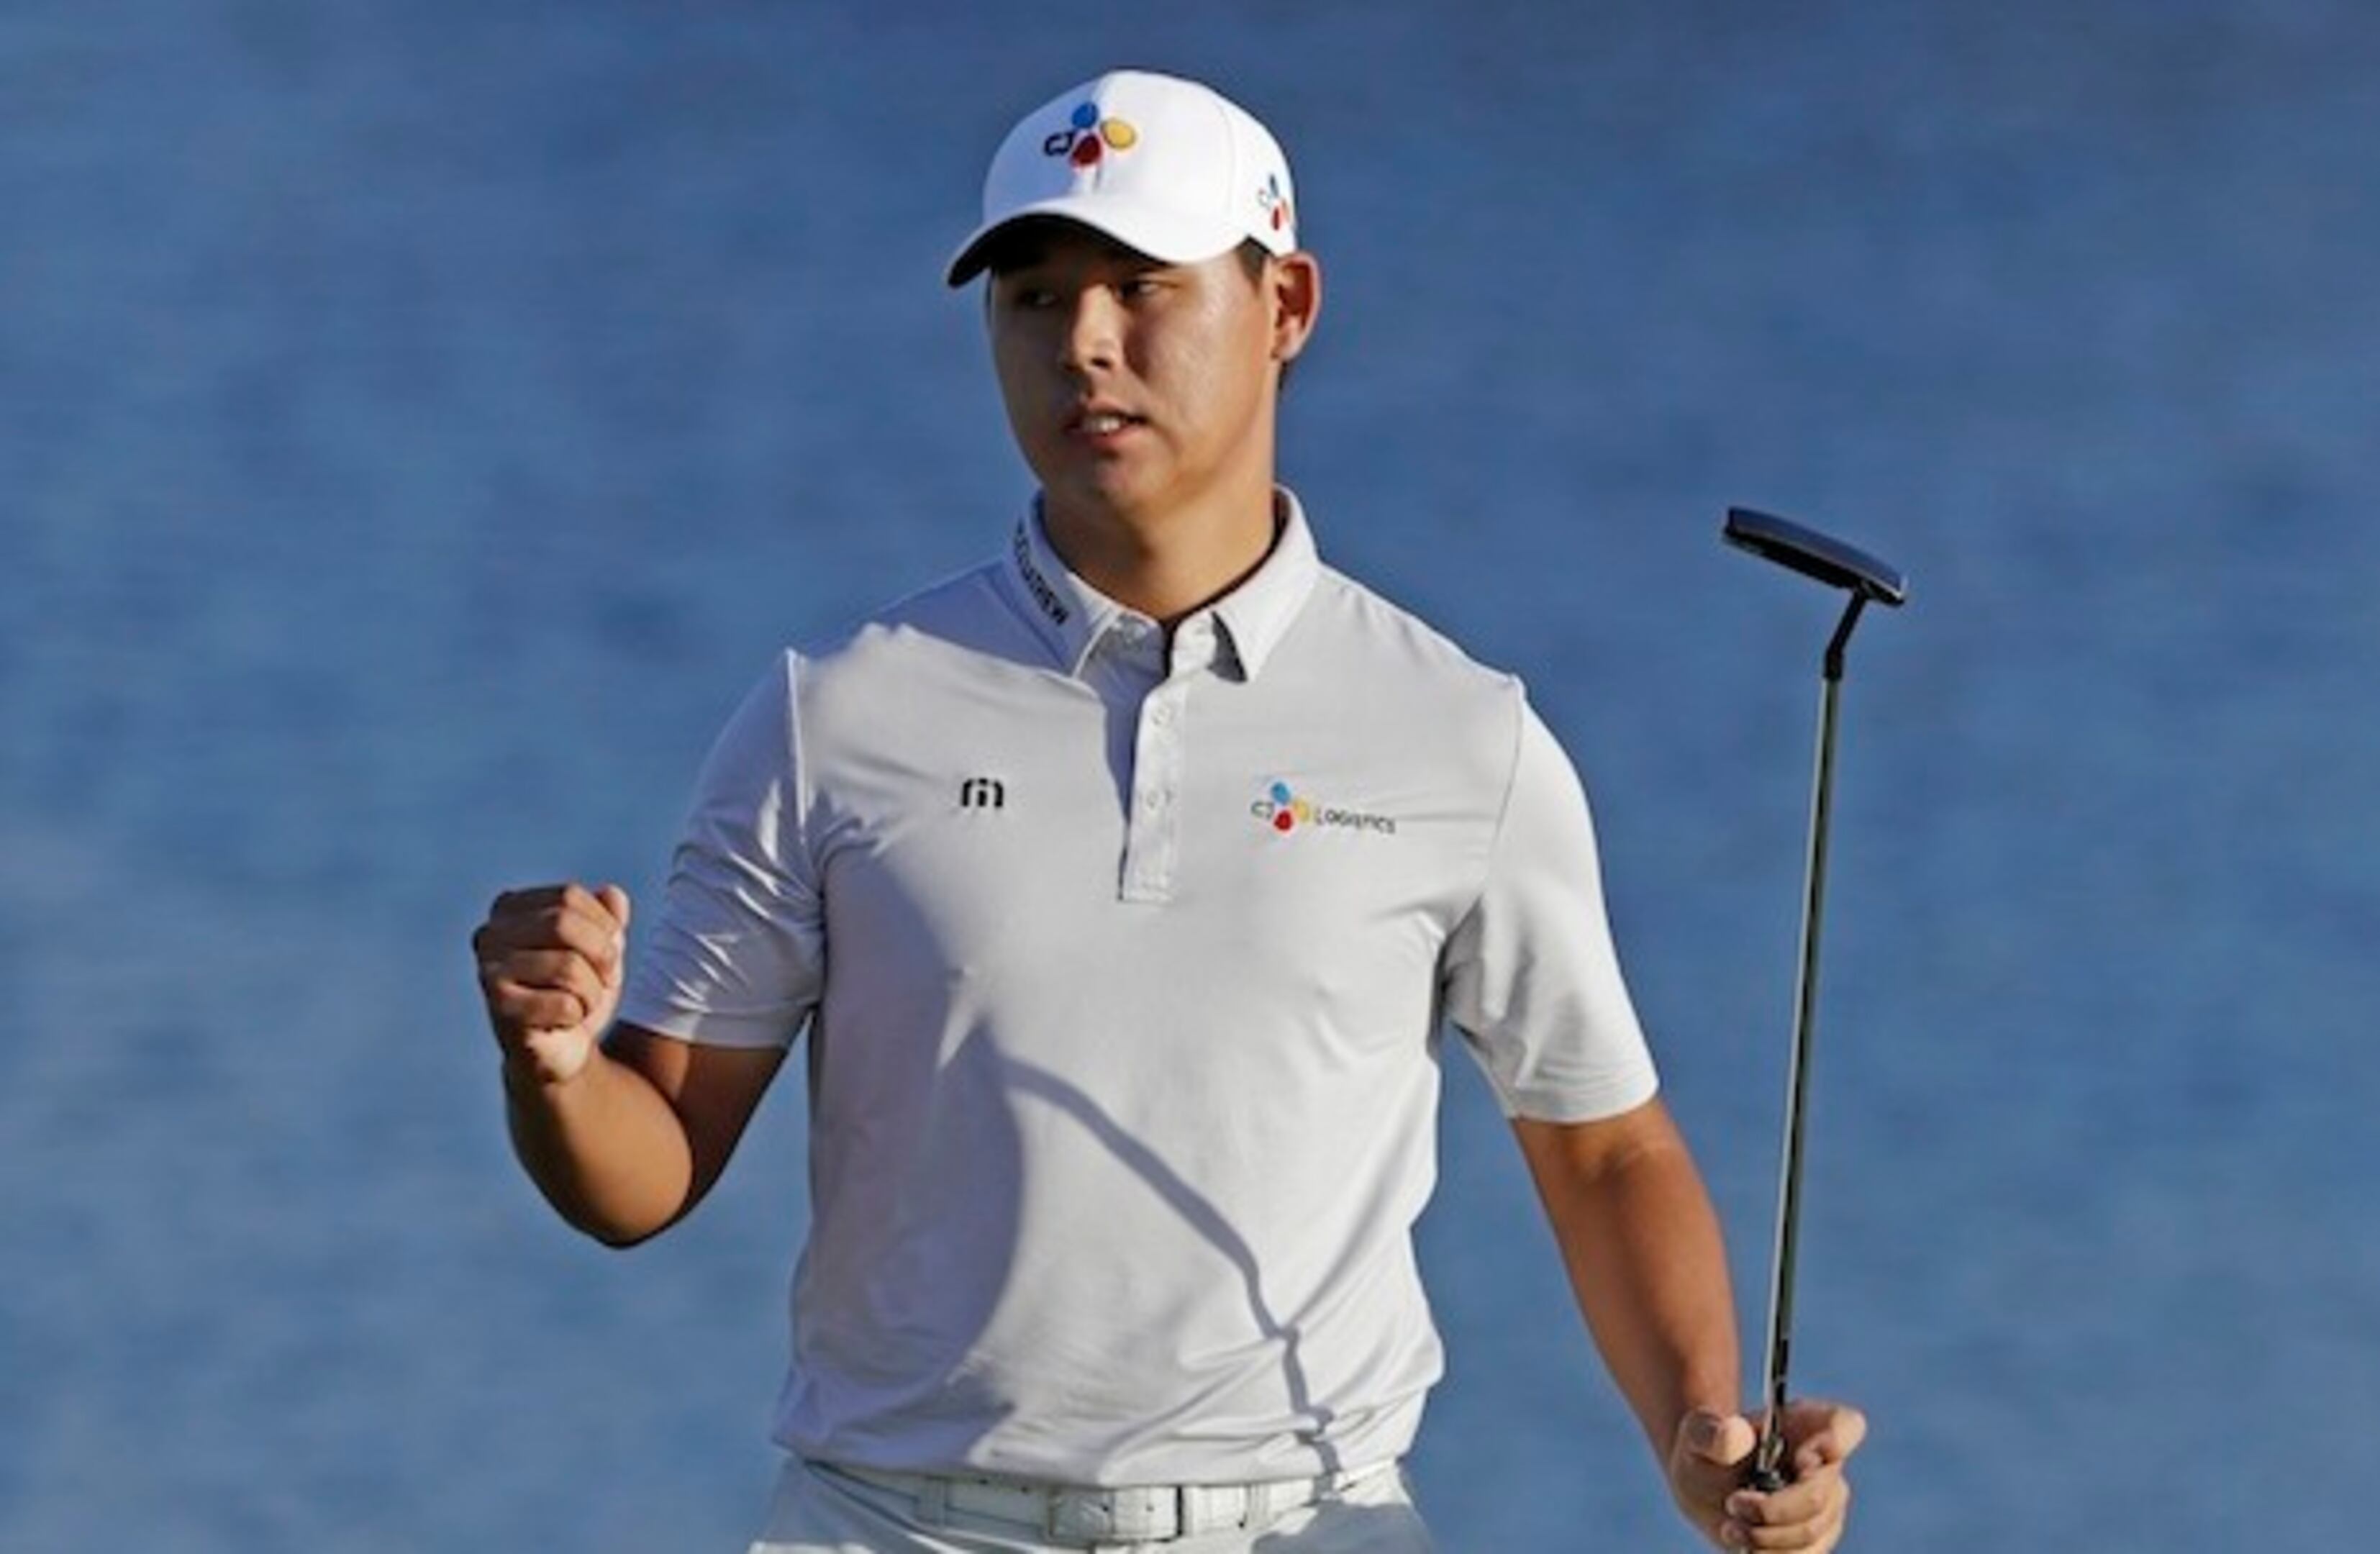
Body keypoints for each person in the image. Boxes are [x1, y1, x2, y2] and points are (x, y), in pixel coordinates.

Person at [471, 68, 1866, 1553]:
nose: (1082, 342)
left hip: (1307, 1522)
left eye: (1143, 287)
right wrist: (554, 1070)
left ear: (1288, 307)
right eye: (1031, 296)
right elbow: (647, 1169)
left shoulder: (1462, 736)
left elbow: (1604, 1153)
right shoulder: (841, 713)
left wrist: (1700, 1430)